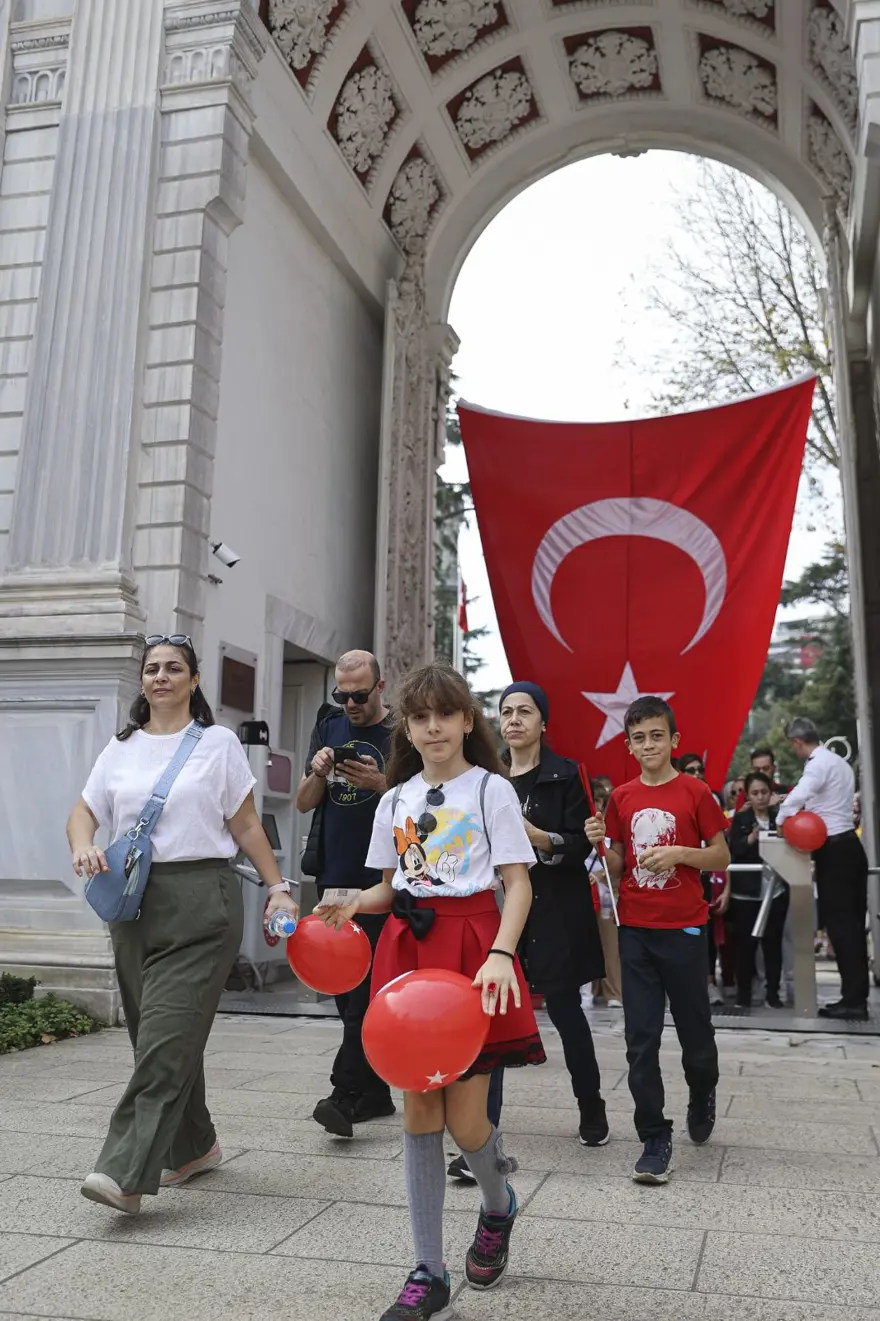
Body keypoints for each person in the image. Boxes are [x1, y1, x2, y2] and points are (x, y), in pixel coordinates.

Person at [319, 663, 544, 1321]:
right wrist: (352, 901)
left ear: (467, 721)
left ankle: (498, 1204)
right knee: (420, 1111)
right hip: (410, 951)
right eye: (421, 717)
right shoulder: (394, 799)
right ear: (408, 727)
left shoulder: (491, 789)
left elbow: (518, 884)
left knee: (467, 1121)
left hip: (475, 950)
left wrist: (502, 953)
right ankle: (428, 1269)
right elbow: (393, 886)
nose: (434, 726)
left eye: (446, 714)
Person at [66, 635, 298, 1215]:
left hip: (202, 901)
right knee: (158, 1040)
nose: (161, 677)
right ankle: (194, 1146)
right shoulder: (120, 748)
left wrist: (278, 889)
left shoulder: (217, 743)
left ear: (195, 681)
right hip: (132, 904)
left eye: (174, 668)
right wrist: (82, 845)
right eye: (152, 669)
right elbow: (84, 810)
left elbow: (245, 827)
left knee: (166, 1043)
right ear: (142, 682)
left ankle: (123, 1171)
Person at [586, 695, 729, 1185]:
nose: (648, 745)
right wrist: (600, 844)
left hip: (686, 931)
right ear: (629, 745)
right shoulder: (622, 797)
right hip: (636, 933)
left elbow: (721, 856)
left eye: (656, 736)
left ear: (674, 740)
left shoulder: (696, 792)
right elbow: (618, 864)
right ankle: (653, 1136)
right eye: (639, 738)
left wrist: (680, 855)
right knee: (639, 1041)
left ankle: (703, 1091)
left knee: (696, 1038)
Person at [496, 682, 608, 1144]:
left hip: (556, 908)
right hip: (504, 911)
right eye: (506, 712)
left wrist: (538, 836)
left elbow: (583, 843)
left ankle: (592, 1108)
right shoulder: (488, 778)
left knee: (565, 1010)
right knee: (494, 1015)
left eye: (525, 711)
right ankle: (484, 1130)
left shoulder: (566, 774)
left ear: (544, 722)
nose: (515, 720)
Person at [296, 649, 395, 1136]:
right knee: (342, 986)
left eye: (359, 695)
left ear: (380, 687)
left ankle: (342, 1092)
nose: (351, 703)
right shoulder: (329, 726)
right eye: (342, 695)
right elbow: (301, 803)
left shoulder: (399, 735)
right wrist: (317, 770)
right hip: (331, 874)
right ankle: (374, 1093)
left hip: (379, 880)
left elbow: (419, 803)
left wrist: (382, 783)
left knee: (367, 993)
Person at [778, 717, 869, 1021]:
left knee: (842, 928)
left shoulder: (816, 765)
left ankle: (853, 1002)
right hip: (850, 849)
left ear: (797, 742)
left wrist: (781, 819)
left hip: (834, 851)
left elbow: (799, 797)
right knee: (852, 927)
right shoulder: (840, 763)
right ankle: (855, 997)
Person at [728, 771, 788, 1008]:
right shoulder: (740, 820)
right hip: (747, 892)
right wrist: (750, 839)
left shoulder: (780, 818)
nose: (760, 797)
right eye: (755, 793)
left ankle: (773, 994)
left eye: (764, 792)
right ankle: (744, 995)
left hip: (776, 889)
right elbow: (734, 849)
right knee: (745, 946)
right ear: (748, 796)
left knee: (773, 945)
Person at [676, 755, 730, 1004]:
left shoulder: (709, 797)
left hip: (703, 875)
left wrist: (726, 884)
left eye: (700, 770)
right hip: (674, 876)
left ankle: (707, 982)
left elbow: (721, 850)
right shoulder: (673, 796)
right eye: (690, 770)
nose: (696, 774)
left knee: (702, 932)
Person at [589, 776, 622, 1008]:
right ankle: (587, 991)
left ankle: (613, 993)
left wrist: (600, 876)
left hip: (607, 891)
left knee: (610, 944)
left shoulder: (613, 829)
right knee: (584, 942)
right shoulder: (574, 827)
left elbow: (618, 862)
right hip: (582, 892)